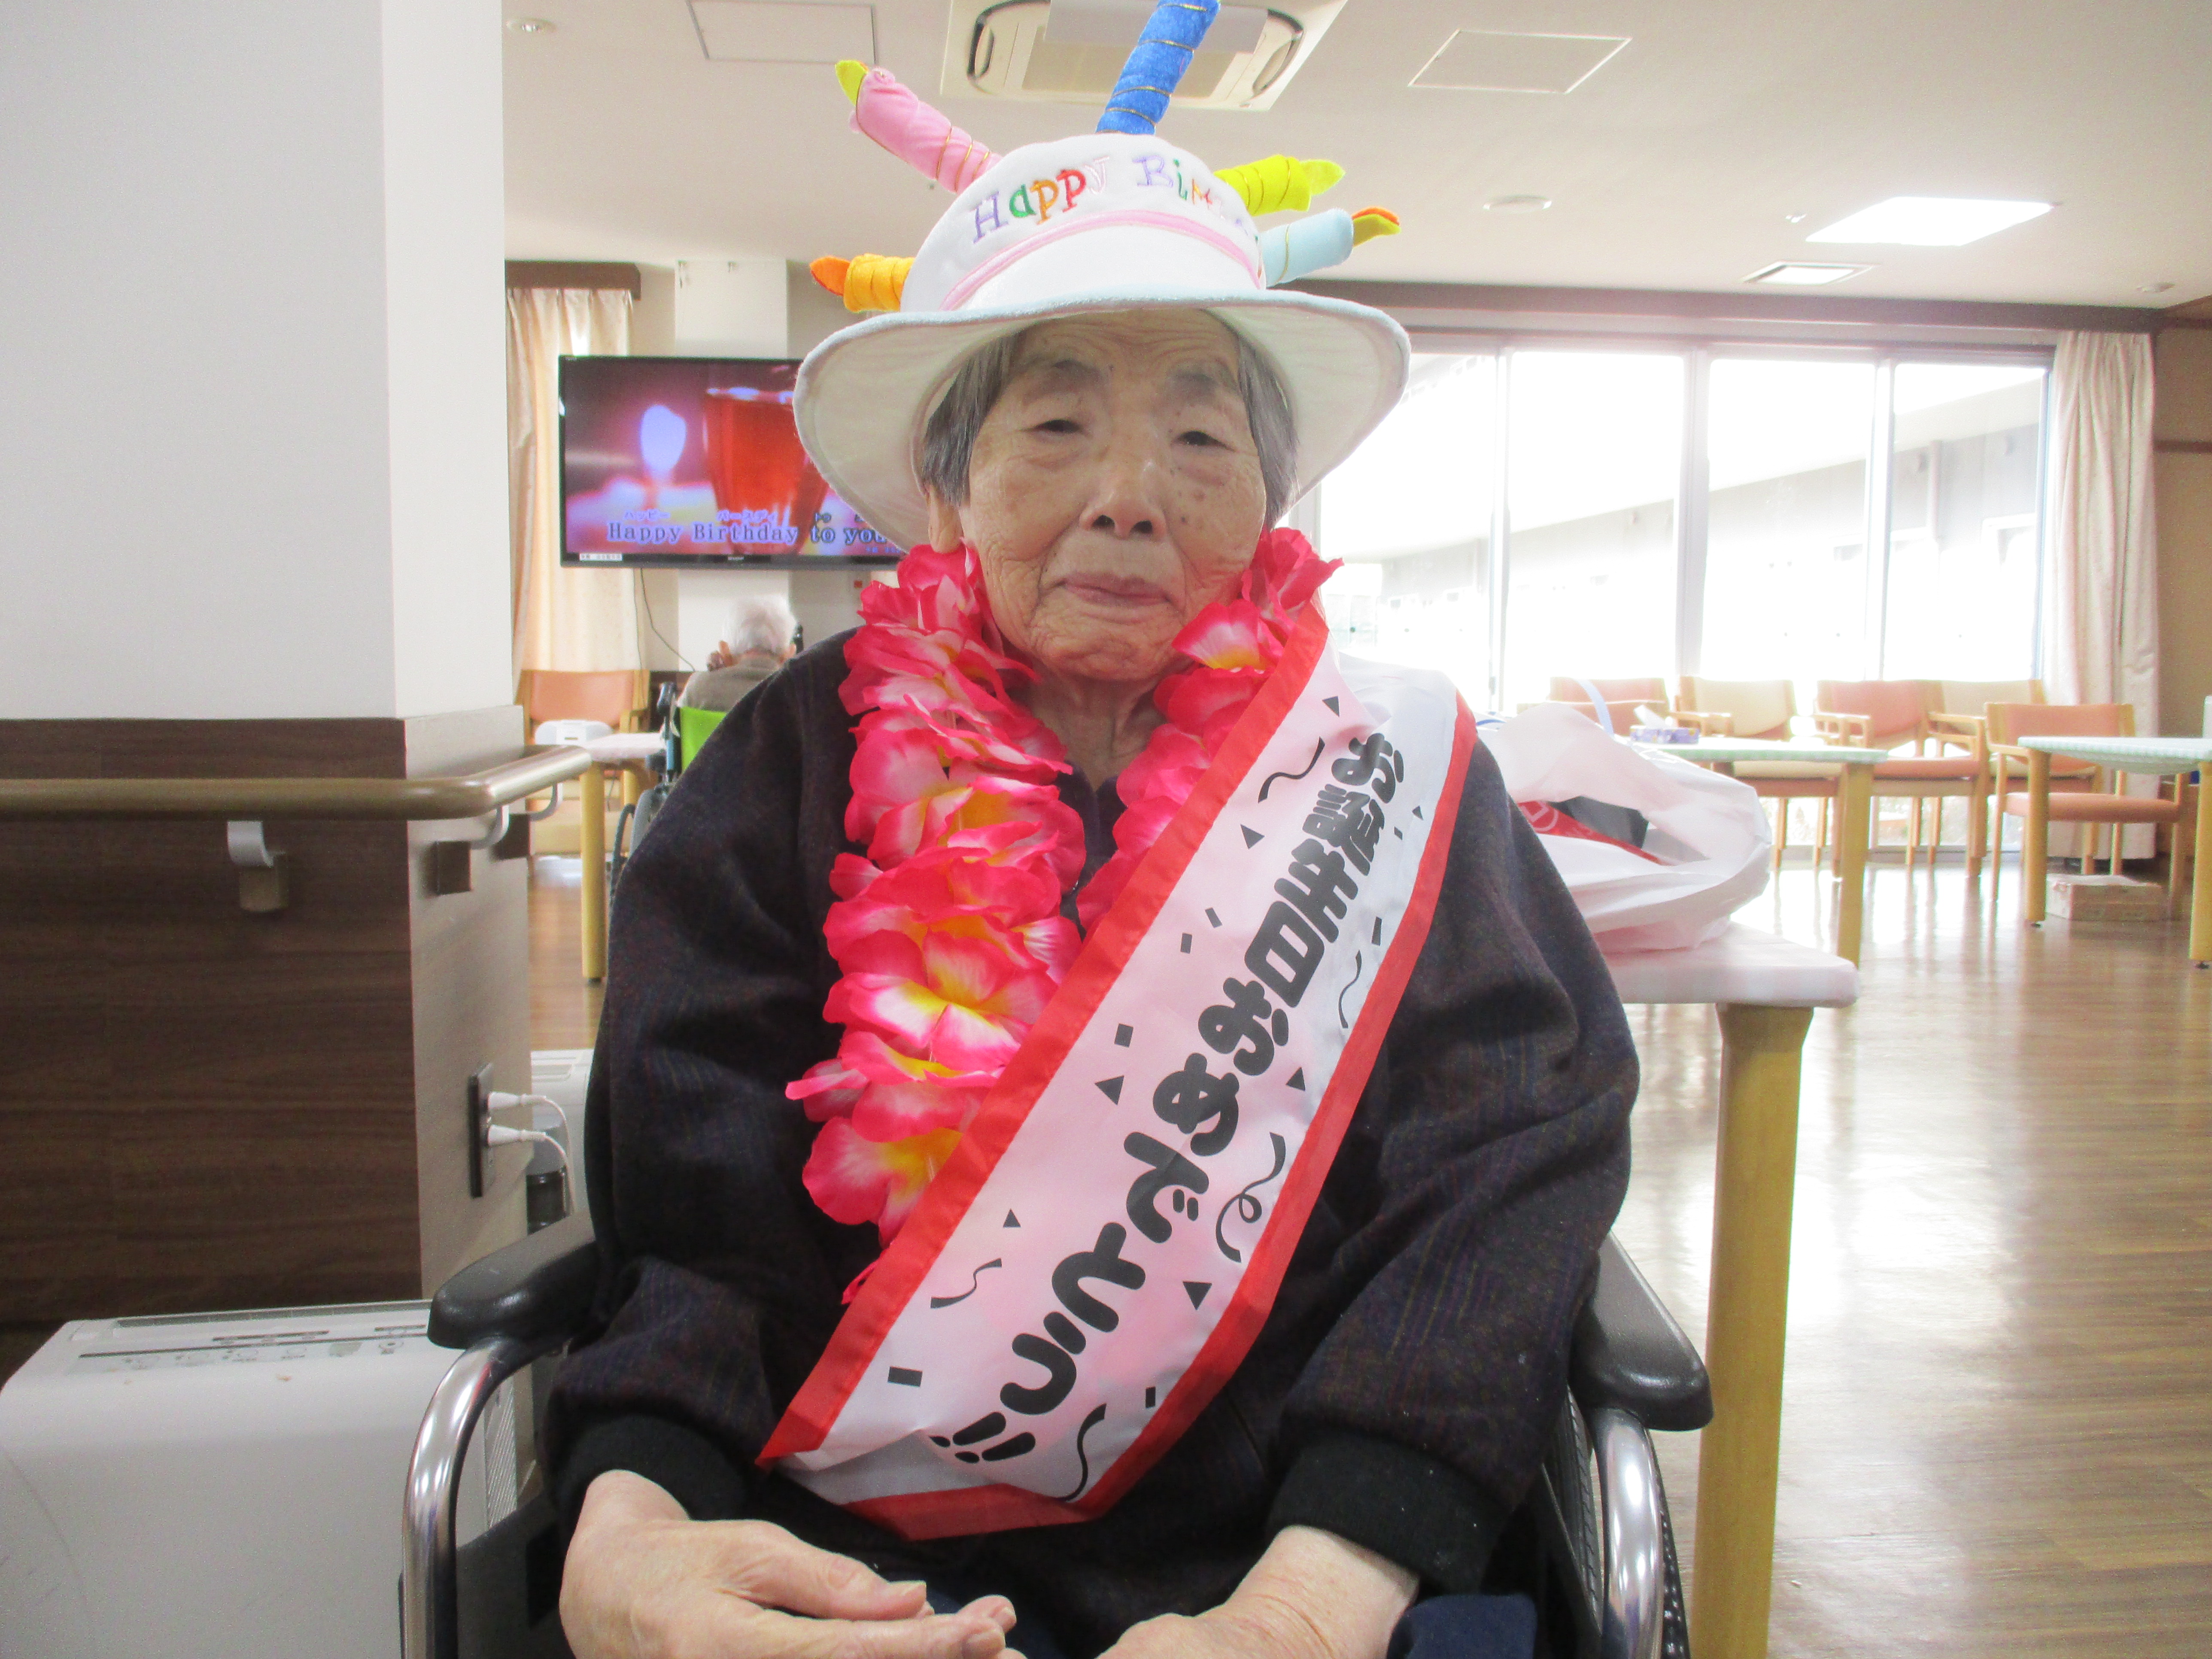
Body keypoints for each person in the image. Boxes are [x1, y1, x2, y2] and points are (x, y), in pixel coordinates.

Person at [548, 21, 1635, 1659]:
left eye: (1199, 439)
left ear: (1270, 503)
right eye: (1055, 428)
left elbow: (1507, 1165)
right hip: (842, 1558)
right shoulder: (788, 755)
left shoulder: (1392, 765)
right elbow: (699, 1228)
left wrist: (1312, 1602)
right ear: (946, 493)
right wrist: (633, 1531)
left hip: (1305, 1536)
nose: (1130, 493)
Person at [679, 595, 798, 711]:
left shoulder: (698, 689)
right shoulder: (800, 696)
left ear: (725, 651)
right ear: (788, 656)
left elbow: (673, 724)